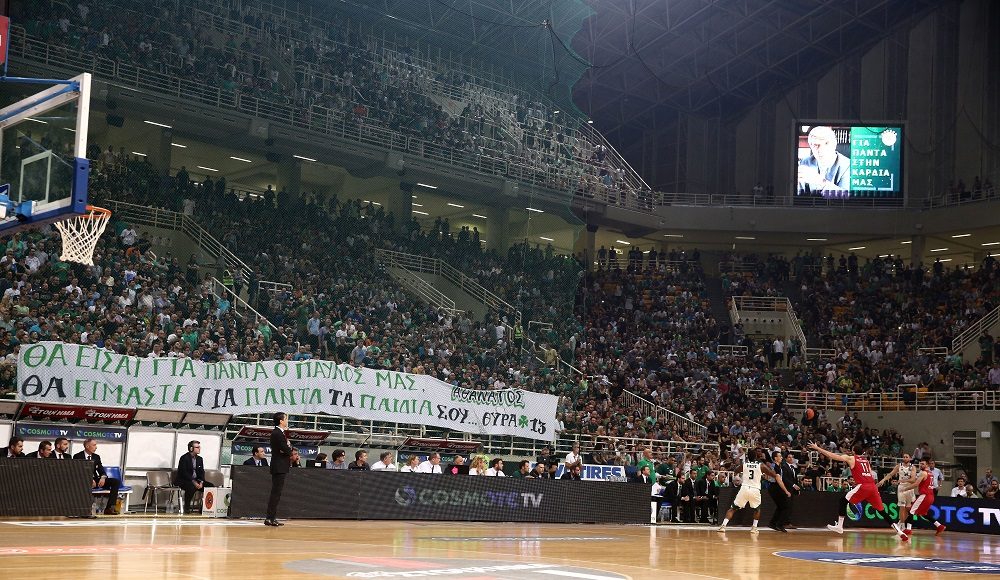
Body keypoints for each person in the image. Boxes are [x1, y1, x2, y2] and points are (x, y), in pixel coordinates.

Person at [808, 442, 890, 534]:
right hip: (872, 486)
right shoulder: (866, 461)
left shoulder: (851, 458)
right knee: (881, 510)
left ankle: (840, 526)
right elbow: (869, 474)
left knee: (843, 501)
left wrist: (818, 448)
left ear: (853, 451)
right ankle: (899, 531)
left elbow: (833, 456)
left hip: (863, 486)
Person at [719, 449, 788, 533]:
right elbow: (772, 474)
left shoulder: (744, 464)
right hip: (755, 489)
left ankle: (723, 526)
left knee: (732, 508)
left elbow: (736, 471)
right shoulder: (761, 465)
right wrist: (774, 474)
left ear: (748, 456)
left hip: (744, 488)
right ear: (755, 456)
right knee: (757, 509)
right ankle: (754, 528)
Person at [894, 459, 946, 539]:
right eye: (920, 464)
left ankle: (908, 529)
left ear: (927, 465)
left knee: (911, 511)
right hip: (931, 496)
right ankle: (939, 526)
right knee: (924, 513)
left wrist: (905, 488)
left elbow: (916, 484)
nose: (920, 465)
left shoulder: (923, 473)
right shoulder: (931, 473)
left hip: (924, 495)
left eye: (922, 464)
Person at [73, 438, 121, 515]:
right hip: (83, 479)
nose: (96, 447)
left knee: (115, 482)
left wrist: (103, 477)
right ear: (87, 446)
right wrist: (89, 479)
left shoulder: (96, 457)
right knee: (85, 483)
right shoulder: (77, 456)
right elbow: (78, 472)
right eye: (94, 445)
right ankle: (86, 508)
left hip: (95, 479)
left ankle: (109, 508)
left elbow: (101, 470)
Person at [797, 125, 850, 195]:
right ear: (810, 146)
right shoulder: (804, 162)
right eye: (815, 145)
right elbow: (797, 194)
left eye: (826, 143)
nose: (821, 149)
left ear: (835, 144)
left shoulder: (848, 166)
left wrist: (819, 181)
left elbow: (846, 196)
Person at [878, 453, 918, 531]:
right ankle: (902, 525)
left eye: (906, 457)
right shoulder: (899, 466)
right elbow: (890, 474)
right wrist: (883, 480)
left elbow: (913, 480)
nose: (905, 458)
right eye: (904, 457)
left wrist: (902, 480)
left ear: (910, 458)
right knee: (901, 507)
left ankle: (903, 522)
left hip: (909, 488)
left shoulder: (913, 467)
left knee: (908, 508)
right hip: (901, 488)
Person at [265, 412, 292, 527]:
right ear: (281, 421)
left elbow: (284, 449)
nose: (287, 421)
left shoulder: (280, 433)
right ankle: (270, 518)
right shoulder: (277, 433)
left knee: (276, 493)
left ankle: (271, 518)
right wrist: (288, 447)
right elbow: (286, 449)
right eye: (286, 419)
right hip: (279, 466)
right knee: (276, 493)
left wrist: (287, 448)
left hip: (280, 465)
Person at [175, 440, 215, 513]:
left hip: (197, 480)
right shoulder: (184, 458)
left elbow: (202, 472)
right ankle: (187, 507)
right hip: (184, 480)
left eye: (199, 447)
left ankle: (204, 508)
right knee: (191, 486)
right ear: (191, 448)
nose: (199, 449)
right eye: (197, 447)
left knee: (210, 486)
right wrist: (194, 482)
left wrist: (201, 482)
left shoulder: (200, 459)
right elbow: (183, 472)